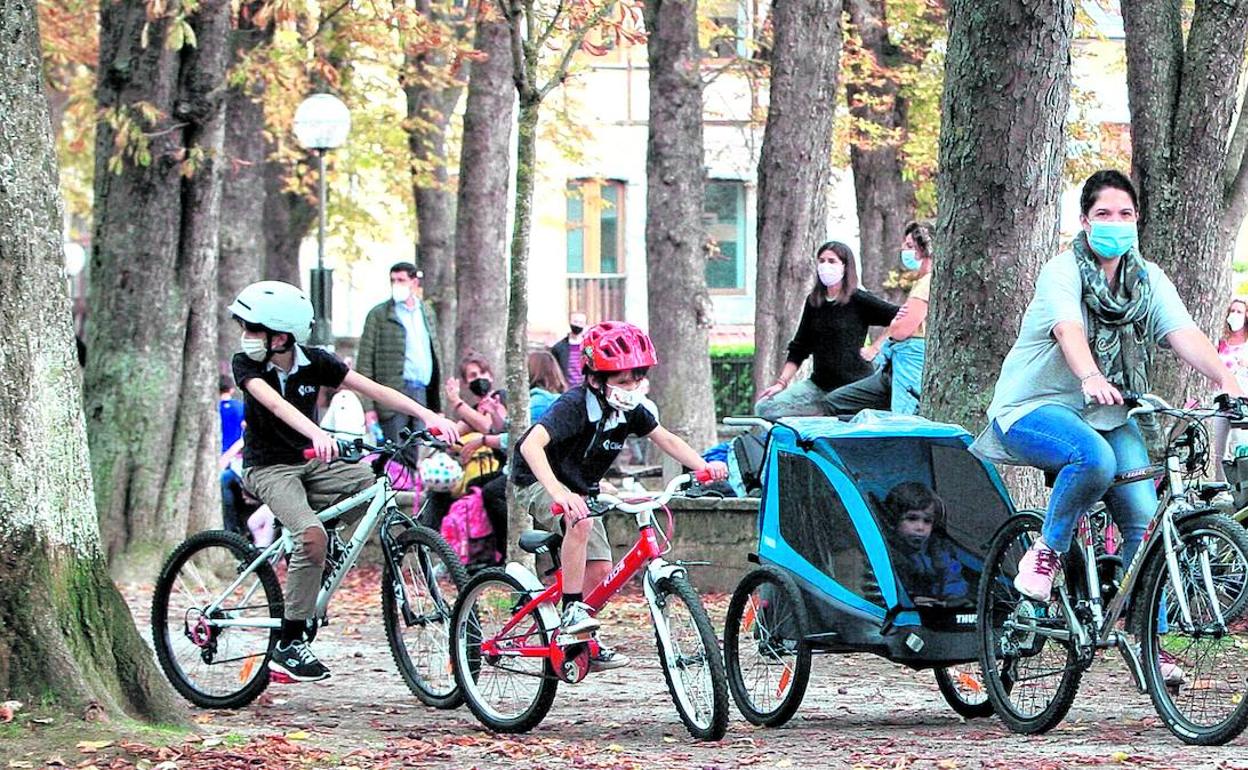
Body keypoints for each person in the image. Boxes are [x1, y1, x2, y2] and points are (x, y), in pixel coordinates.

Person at [969, 170, 1243, 684]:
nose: (1115, 224)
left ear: (1137, 221)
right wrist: (1090, 374)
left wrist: (1228, 380)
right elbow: (1068, 330)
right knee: (1093, 459)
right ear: (1084, 221)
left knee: (1145, 521)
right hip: (1032, 408)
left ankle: (1149, 645)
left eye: (1125, 214)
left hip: (1108, 411)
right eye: (1103, 215)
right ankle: (1045, 553)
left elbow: (1182, 333)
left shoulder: (1147, 280)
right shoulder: (1061, 272)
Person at [229, 281, 459, 683]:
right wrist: (317, 433)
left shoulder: (317, 361)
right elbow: (274, 403)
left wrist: (429, 416)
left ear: (280, 337)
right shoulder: (247, 365)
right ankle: (289, 643)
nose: (245, 337)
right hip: (270, 468)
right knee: (310, 536)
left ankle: (326, 547)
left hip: (314, 464)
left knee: (369, 483)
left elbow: (375, 389)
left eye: (253, 329)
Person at [513, 321, 728, 669]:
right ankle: (570, 613)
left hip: (581, 486)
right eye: (622, 381)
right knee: (578, 521)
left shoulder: (631, 410)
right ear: (596, 380)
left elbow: (667, 439)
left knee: (600, 571)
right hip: (539, 480)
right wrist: (558, 492)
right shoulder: (575, 406)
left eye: (637, 379)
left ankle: (581, 642)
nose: (632, 388)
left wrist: (703, 466)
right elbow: (530, 445)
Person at [755, 241, 899, 420]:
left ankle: (824, 416)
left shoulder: (858, 299)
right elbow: (800, 346)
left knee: (833, 409)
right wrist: (781, 383)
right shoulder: (814, 302)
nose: (825, 266)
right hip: (819, 385)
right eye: (821, 261)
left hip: (854, 385)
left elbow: (900, 317)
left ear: (845, 266)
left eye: (832, 261)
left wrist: (876, 346)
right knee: (765, 408)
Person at [815, 223, 935, 418]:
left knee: (904, 420)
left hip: (910, 364)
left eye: (909, 245)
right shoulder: (920, 283)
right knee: (835, 403)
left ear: (922, 249)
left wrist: (894, 325)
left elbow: (900, 330)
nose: (903, 251)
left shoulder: (927, 283)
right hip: (892, 368)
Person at [477, 350, 569, 558]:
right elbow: (510, 428)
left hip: (533, 471)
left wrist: (482, 441)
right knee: (480, 485)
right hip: (542, 467)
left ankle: (502, 550)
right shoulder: (555, 399)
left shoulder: (539, 401)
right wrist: (494, 411)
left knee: (491, 492)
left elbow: (519, 437)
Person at [357, 262, 443, 446]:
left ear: (414, 282)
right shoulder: (379, 315)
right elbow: (364, 362)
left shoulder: (426, 313)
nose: (397, 284)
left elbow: (434, 354)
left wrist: (437, 403)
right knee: (394, 451)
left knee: (417, 447)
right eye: (393, 280)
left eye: (401, 280)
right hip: (392, 394)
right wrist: (369, 408)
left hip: (421, 392)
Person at [880, 482, 968, 606]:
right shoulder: (884, 552)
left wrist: (950, 602)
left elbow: (954, 580)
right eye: (912, 518)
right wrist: (910, 600)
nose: (920, 527)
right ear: (894, 520)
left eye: (927, 521)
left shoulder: (940, 550)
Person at [1213, 297, 1248, 481]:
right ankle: (1220, 486)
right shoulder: (1222, 342)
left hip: (1243, 402)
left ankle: (1240, 488)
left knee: (1239, 445)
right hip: (1222, 400)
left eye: (1239, 312)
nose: (1234, 316)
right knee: (1218, 448)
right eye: (1232, 311)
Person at [550, 311, 588, 388]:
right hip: (566, 389)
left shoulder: (589, 346)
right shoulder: (558, 348)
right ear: (569, 322)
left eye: (580, 322)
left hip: (585, 388)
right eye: (575, 321)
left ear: (585, 324)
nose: (577, 324)